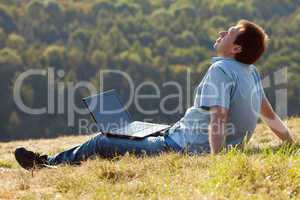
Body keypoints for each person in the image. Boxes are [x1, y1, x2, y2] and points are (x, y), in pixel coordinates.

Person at [15, 20, 295, 170]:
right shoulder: (250, 72)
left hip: (183, 147)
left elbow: (219, 117)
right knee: (129, 130)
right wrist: (291, 143)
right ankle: (120, 139)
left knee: (101, 142)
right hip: (180, 135)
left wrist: (216, 161)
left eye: (229, 32)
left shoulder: (221, 69)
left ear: (235, 48)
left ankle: (47, 165)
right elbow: (269, 115)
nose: (222, 32)